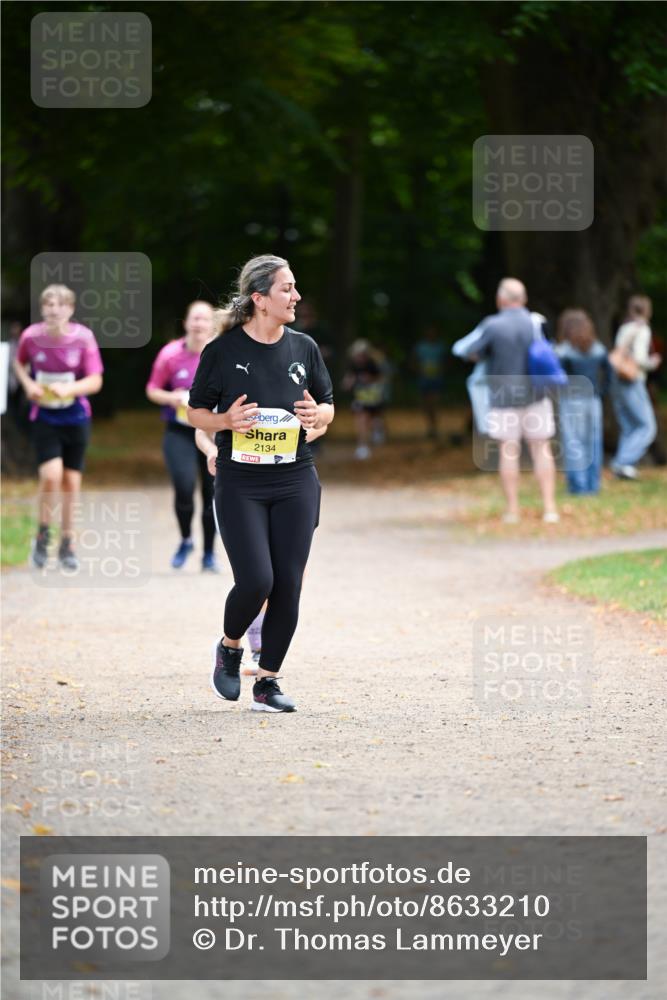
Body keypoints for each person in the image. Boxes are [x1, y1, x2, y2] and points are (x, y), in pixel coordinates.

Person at [187, 255, 334, 713]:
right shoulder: (223, 351)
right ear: (259, 299)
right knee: (256, 579)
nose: (296, 296)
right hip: (241, 481)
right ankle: (230, 646)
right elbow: (194, 413)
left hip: (295, 478)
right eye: (287, 289)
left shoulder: (304, 347)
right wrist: (225, 420)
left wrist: (319, 417)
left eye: (294, 287)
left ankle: (267, 682)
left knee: (288, 583)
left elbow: (328, 409)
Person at [195, 420, 328, 676]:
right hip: (241, 488)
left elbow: (321, 423)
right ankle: (248, 642)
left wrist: (286, 442)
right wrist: (212, 451)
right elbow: (201, 430)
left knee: (288, 576)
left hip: (291, 483)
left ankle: (262, 653)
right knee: (258, 576)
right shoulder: (231, 383)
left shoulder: (296, 381)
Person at [452, 278, 559, 524]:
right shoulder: (537, 322)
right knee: (542, 449)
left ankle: (512, 510)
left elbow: (465, 349)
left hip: (503, 397)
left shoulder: (493, 325)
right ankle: (550, 508)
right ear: (523, 298)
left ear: (501, 299)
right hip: (537, 394)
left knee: (508, 451)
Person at [13, 284, 104, 569]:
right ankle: (42, 536)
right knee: (51, 476)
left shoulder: (83, 338)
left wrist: (71, 389)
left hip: (75, 418)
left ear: (71, 309)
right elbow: (18, 364)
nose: (54, 309)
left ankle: (67, 543)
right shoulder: (31, 336)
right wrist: (29, 385)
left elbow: (95, 380)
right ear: (42, 309)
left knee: (71, 482)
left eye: (61, 304)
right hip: (45, 418)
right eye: (49, 304)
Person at [146, 301, 219, 571]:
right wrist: (172, 397)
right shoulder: (170, 355)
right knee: (184, 487)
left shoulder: (219, 352)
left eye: (204, 319)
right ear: (186, 323)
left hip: (212, 432)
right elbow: (152, 390)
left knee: (212, 492)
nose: (199, 324)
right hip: (179, 431)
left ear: (212, 324)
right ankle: (186, 538)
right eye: (194, 319)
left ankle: (209, 554)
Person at [555, 309, 611, 495]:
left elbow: (559, 378)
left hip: (571, 401)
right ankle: (593, 485)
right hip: (593, 401)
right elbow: (609, 374)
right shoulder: (597, 347)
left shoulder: (564, 350)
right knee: (593, 443)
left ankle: (578, 487)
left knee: (574, 443)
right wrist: (602, 392)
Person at [609, 295, 662, 480]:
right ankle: (622, 462)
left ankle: (624, 467)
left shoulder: (625, 327)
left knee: (629, 425)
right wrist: (653, 363)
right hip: (632, 381)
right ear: (647, 310)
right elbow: (639, 359)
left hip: (617, 379)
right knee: (647, 426)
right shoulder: (642, 329)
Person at [342, 340, 384, 460]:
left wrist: (370, 380)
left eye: (361, 355)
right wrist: (348, 383)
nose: (359, 358)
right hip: (360, 398)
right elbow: (348, 380)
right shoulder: (353, 366)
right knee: (361, 420)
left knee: (374, 420)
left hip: (373, 397)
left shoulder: (372, 364)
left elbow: (379, 378)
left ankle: (377, 430)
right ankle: (362, 446)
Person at [413, 325, 446, 439]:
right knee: (426, 405)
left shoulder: (440, 347)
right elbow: (414, 361)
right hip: (424, 379)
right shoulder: (421, 347)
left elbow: (444, 362)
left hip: (436, 379)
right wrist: (419, 370)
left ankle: (434, 427)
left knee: (434, 404)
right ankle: (431, 426)